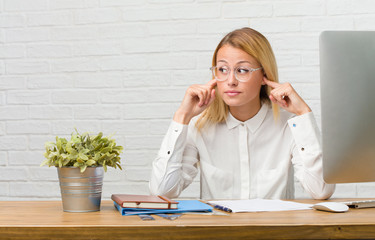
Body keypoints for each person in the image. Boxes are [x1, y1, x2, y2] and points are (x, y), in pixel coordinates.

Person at [149, 27, 335, 200]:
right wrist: (182, 117)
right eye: (222, 69)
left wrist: (303, 114)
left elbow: (320, 190)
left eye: (242, 70)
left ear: (264, 75)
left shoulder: (290, 125)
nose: (230, 80)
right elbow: (162, 191)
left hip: (276, 232)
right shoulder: (200, 127)